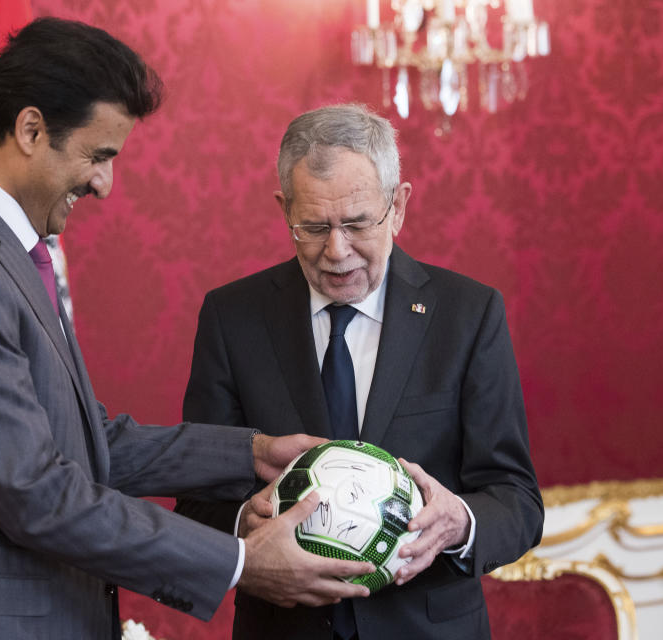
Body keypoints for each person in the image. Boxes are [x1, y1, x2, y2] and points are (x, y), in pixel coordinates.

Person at [0, 20, 374, 640]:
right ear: (31, 129)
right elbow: (34, 491)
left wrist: (253, 452)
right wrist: (240, 563)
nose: (104, 183)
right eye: (98, 156)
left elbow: (88, 442)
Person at [175, 103, 544, 640]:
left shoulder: (468, 314)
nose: (336, 251)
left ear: (398, 206)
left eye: (355, 223)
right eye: (314, 227)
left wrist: (459, 521)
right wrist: (243, 531)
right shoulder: (233, 318)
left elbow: (517, 498)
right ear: (284, 210)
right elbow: (198, 497)